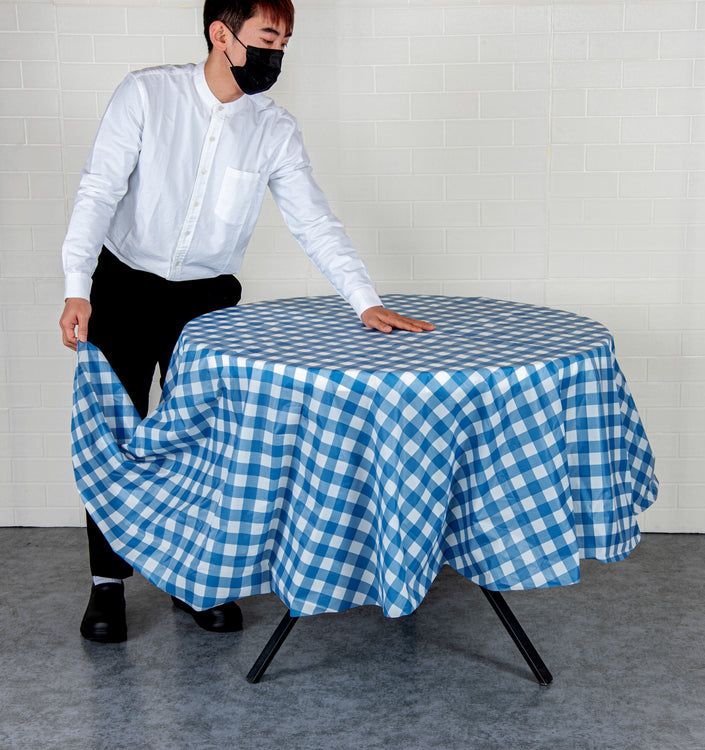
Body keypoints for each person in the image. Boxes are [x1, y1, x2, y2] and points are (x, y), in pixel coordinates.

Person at [59, 0, 433, 643]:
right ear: (221, 34)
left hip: (206, 302)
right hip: (123, 285)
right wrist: (76, 288)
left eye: (284, 42)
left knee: (204, 439)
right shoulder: (146, 95)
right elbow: (98, 189)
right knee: (116, 431)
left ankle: (193, 579)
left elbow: (313, 221)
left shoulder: (273, 129)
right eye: (267, 37)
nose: (276, 54)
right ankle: (106, 584)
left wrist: (363, 299)